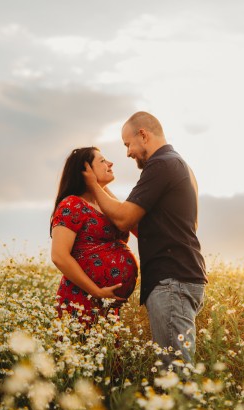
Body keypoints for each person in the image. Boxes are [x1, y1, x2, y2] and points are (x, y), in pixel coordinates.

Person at [82, 112, 207, 367]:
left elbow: (124, 219)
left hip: (172, 281)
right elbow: (140, 224)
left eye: (128, 144)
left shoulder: (161, 165)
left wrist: (94, 185)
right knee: (175, 368)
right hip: (181, 278)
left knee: (176, 373)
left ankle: (183, 409)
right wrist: (105, 191)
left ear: (143, 135)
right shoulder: (178, 164)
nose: (127, 153)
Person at [50, 147, 138, 327]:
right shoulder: (72, 204)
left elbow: (126, 218)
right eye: (102, 161)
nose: (110, 163)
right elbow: (59, 256)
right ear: (85, 170)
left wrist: (98, 187)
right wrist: (97, 292)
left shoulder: (105, 205)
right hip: (81, 299)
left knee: (107, 353)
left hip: (108, 304)